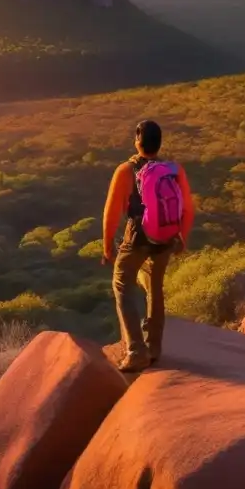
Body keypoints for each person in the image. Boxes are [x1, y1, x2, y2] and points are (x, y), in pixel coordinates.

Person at [103, 120, 194, 372]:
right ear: (159, 143)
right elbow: (187, 208)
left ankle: (135, 350)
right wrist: (182, 237)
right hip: (166, 237)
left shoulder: (126, 170)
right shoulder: (174, 170)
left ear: (137, 140)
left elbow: (111, 213)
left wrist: (107, 245)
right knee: (155, 287)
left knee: (122, 285)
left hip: (137, 237)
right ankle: (153, 348)